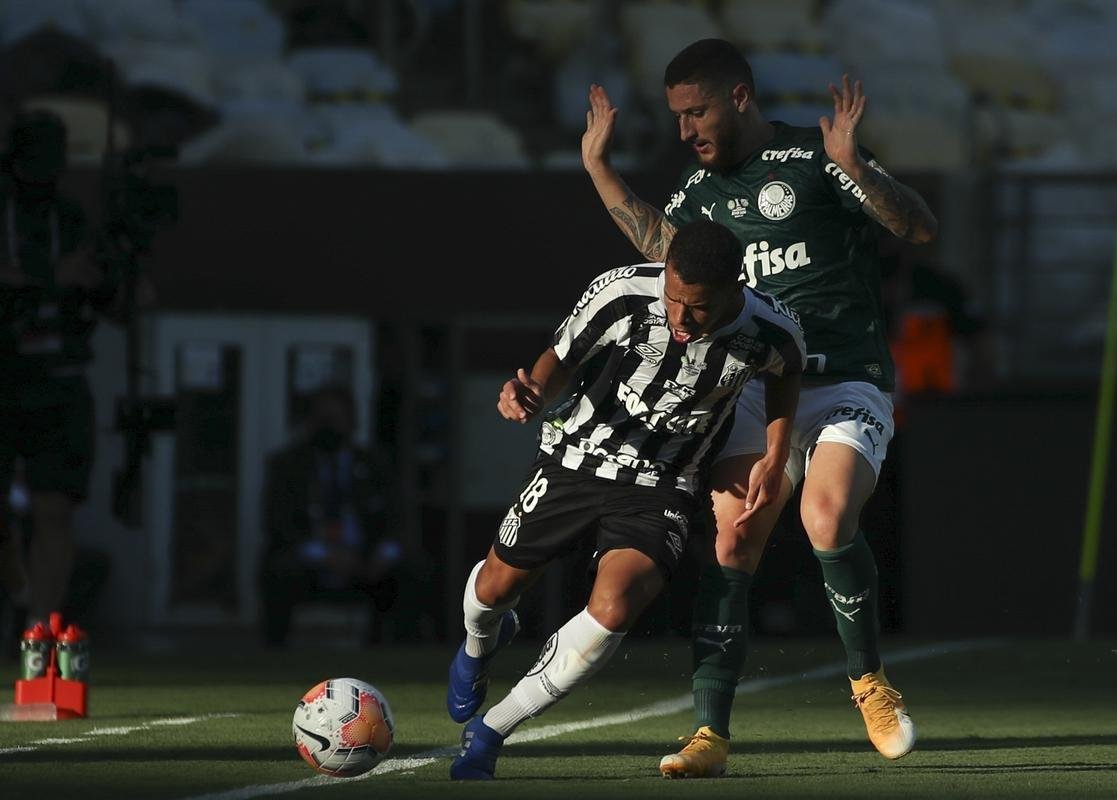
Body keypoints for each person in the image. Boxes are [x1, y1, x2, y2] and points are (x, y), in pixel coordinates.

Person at [581, 39, 939, 776]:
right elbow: (664, 251)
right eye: (677, 117)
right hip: (755, 389)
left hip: (844, 382)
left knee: (825, 517)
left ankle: (870, 684)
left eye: (697, 112)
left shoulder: (815, 160)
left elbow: (919, 226)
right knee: (731, 543)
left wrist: (856, 167)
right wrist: (599, 169)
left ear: (739, 98)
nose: (685, 130)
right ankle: (709, 735)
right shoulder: (698, 194)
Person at [446, 219, 806, 780]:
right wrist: (532, 392)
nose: (680, 318)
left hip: (664, 484)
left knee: (613, 609)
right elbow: (560, 356)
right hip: (576, 457)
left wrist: (776, 452)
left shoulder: (773, 330)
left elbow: (787, 373)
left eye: (698, 308)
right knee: (494, 589)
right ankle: (478, 643)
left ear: (735, 287)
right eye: (673, 299)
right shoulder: (622, 292)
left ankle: (490, 733)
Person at [0, 109, 107, 633]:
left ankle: (40, 626)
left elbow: (93, 279)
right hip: (5, 373)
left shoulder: (71, 217)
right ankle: (18, 592)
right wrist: (47, 278)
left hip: (59, 379)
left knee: (54, 507)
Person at [258, 385, 426, 646]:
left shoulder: (375, 463)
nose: (329, 428)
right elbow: (278, 522)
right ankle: (275, 651)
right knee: (279, 569)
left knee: (413, 569)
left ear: (351, 421)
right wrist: (325, 554)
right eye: (321, 420)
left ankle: (395, 652)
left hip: (366, 559)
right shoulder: (288, 465)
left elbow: (398, 518)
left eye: (335, 419)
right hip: (312, 560)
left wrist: (383, 553)